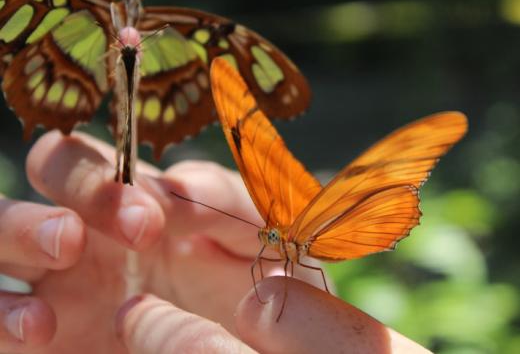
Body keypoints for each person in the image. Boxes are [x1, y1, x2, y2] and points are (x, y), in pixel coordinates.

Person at [0, 131, 431, 353]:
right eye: (269, 236)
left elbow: (306, 266)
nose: (267, 240)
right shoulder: (275, 246)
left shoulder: (294, 242)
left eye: (269, 236)